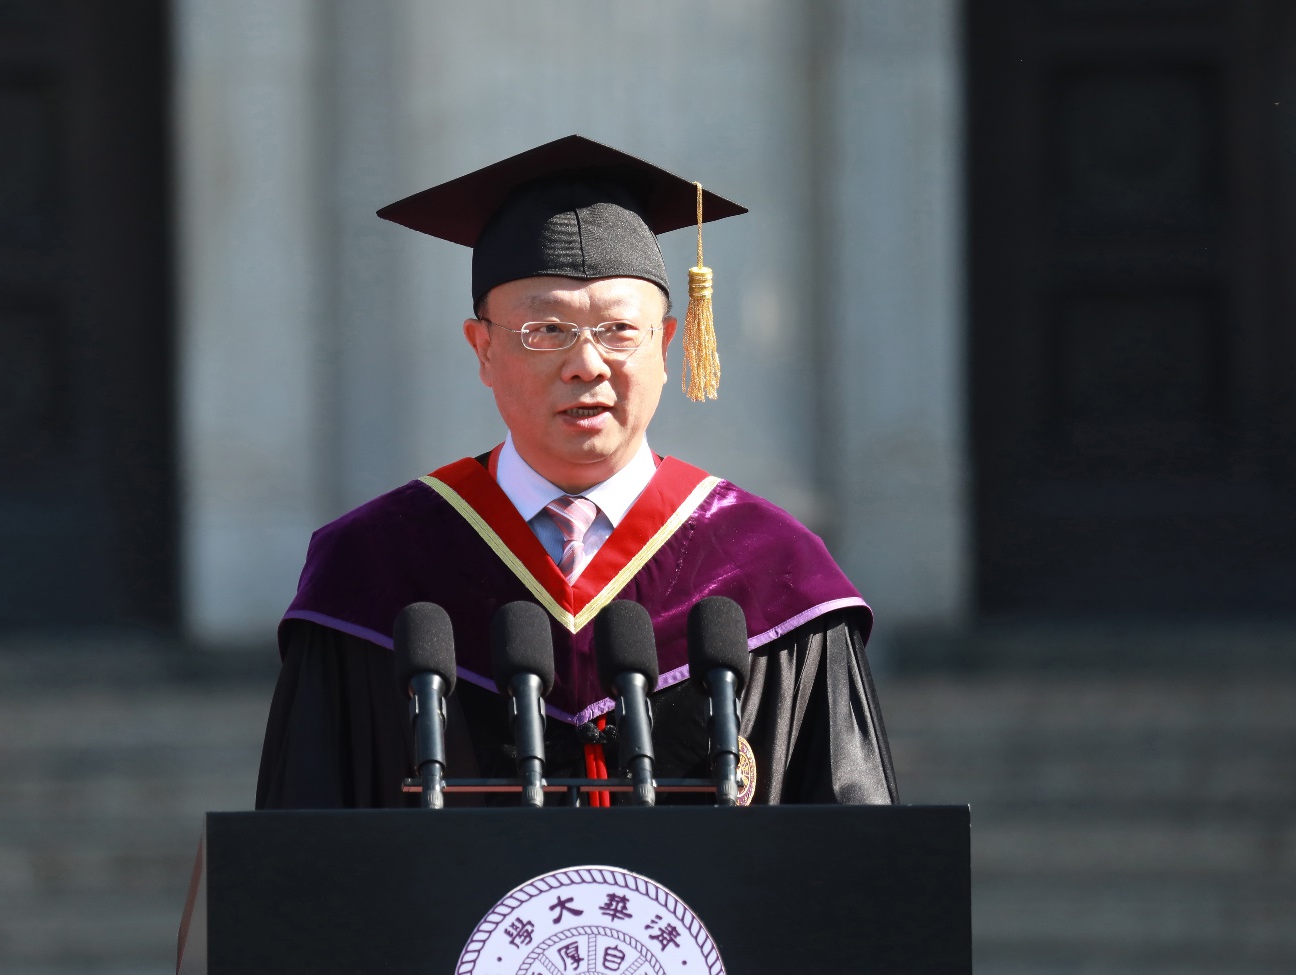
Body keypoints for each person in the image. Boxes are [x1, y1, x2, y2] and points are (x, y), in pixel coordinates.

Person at [255, 136, 898, 808]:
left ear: (667, 344)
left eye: (619, 330)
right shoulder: (374, 566)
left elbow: (854, 842)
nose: (586, 365)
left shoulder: (771, 568)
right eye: (546, 330)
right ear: (482, 349)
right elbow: (301, 842)